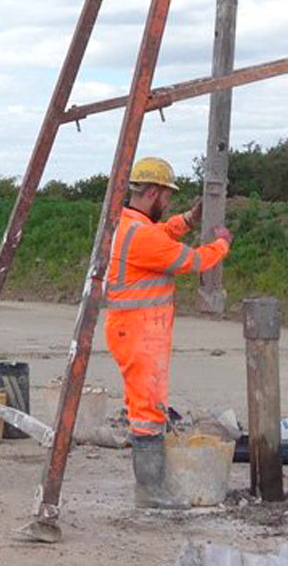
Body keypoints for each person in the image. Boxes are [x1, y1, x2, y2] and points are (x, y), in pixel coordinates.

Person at [103, 156, 233, 508]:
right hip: (139, 332)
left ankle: (151, 486)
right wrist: (221, 244)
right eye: (167, 197)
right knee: (147, 413)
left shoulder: (129, 225)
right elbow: (191, 261)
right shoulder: (141, 235)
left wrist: (189, 220)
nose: (169, 204)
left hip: (133, 330)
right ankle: (151, 492)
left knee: (146, 407)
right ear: (156, 192)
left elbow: (163, 234)